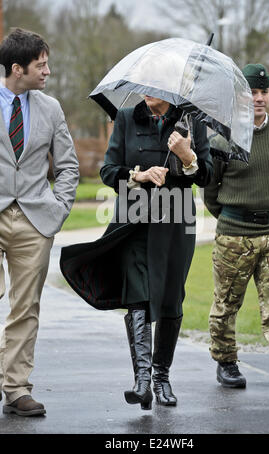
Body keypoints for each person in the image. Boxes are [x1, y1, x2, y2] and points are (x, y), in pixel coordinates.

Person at [60, 95, 212, 409]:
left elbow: (207, 175)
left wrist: (188, 157)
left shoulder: (190, 121)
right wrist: (138, 175)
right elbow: (108, 171)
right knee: (139, 294)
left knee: (171, 297)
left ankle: (161, 377)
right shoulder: (127, 118)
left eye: (155, 84)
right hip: (134, 219)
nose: (147, 90)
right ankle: (142, 381)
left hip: (176, 220)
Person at [204, 63, 269, 393]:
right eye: (251, 92)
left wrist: (266, 209)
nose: (258, 98)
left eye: (263, 92)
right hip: (234, 235)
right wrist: (235, 217)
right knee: (226, 304)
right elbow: (210, 190)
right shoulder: (222, 137)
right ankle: (226, 362)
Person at [0, 28, 79, 416]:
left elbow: (67, 166)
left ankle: (15, 389)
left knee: (25, 307)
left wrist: (59, 208)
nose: (47, 71)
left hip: (34, 220)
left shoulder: (51, 107)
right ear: (18, 69)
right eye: (40, 65)